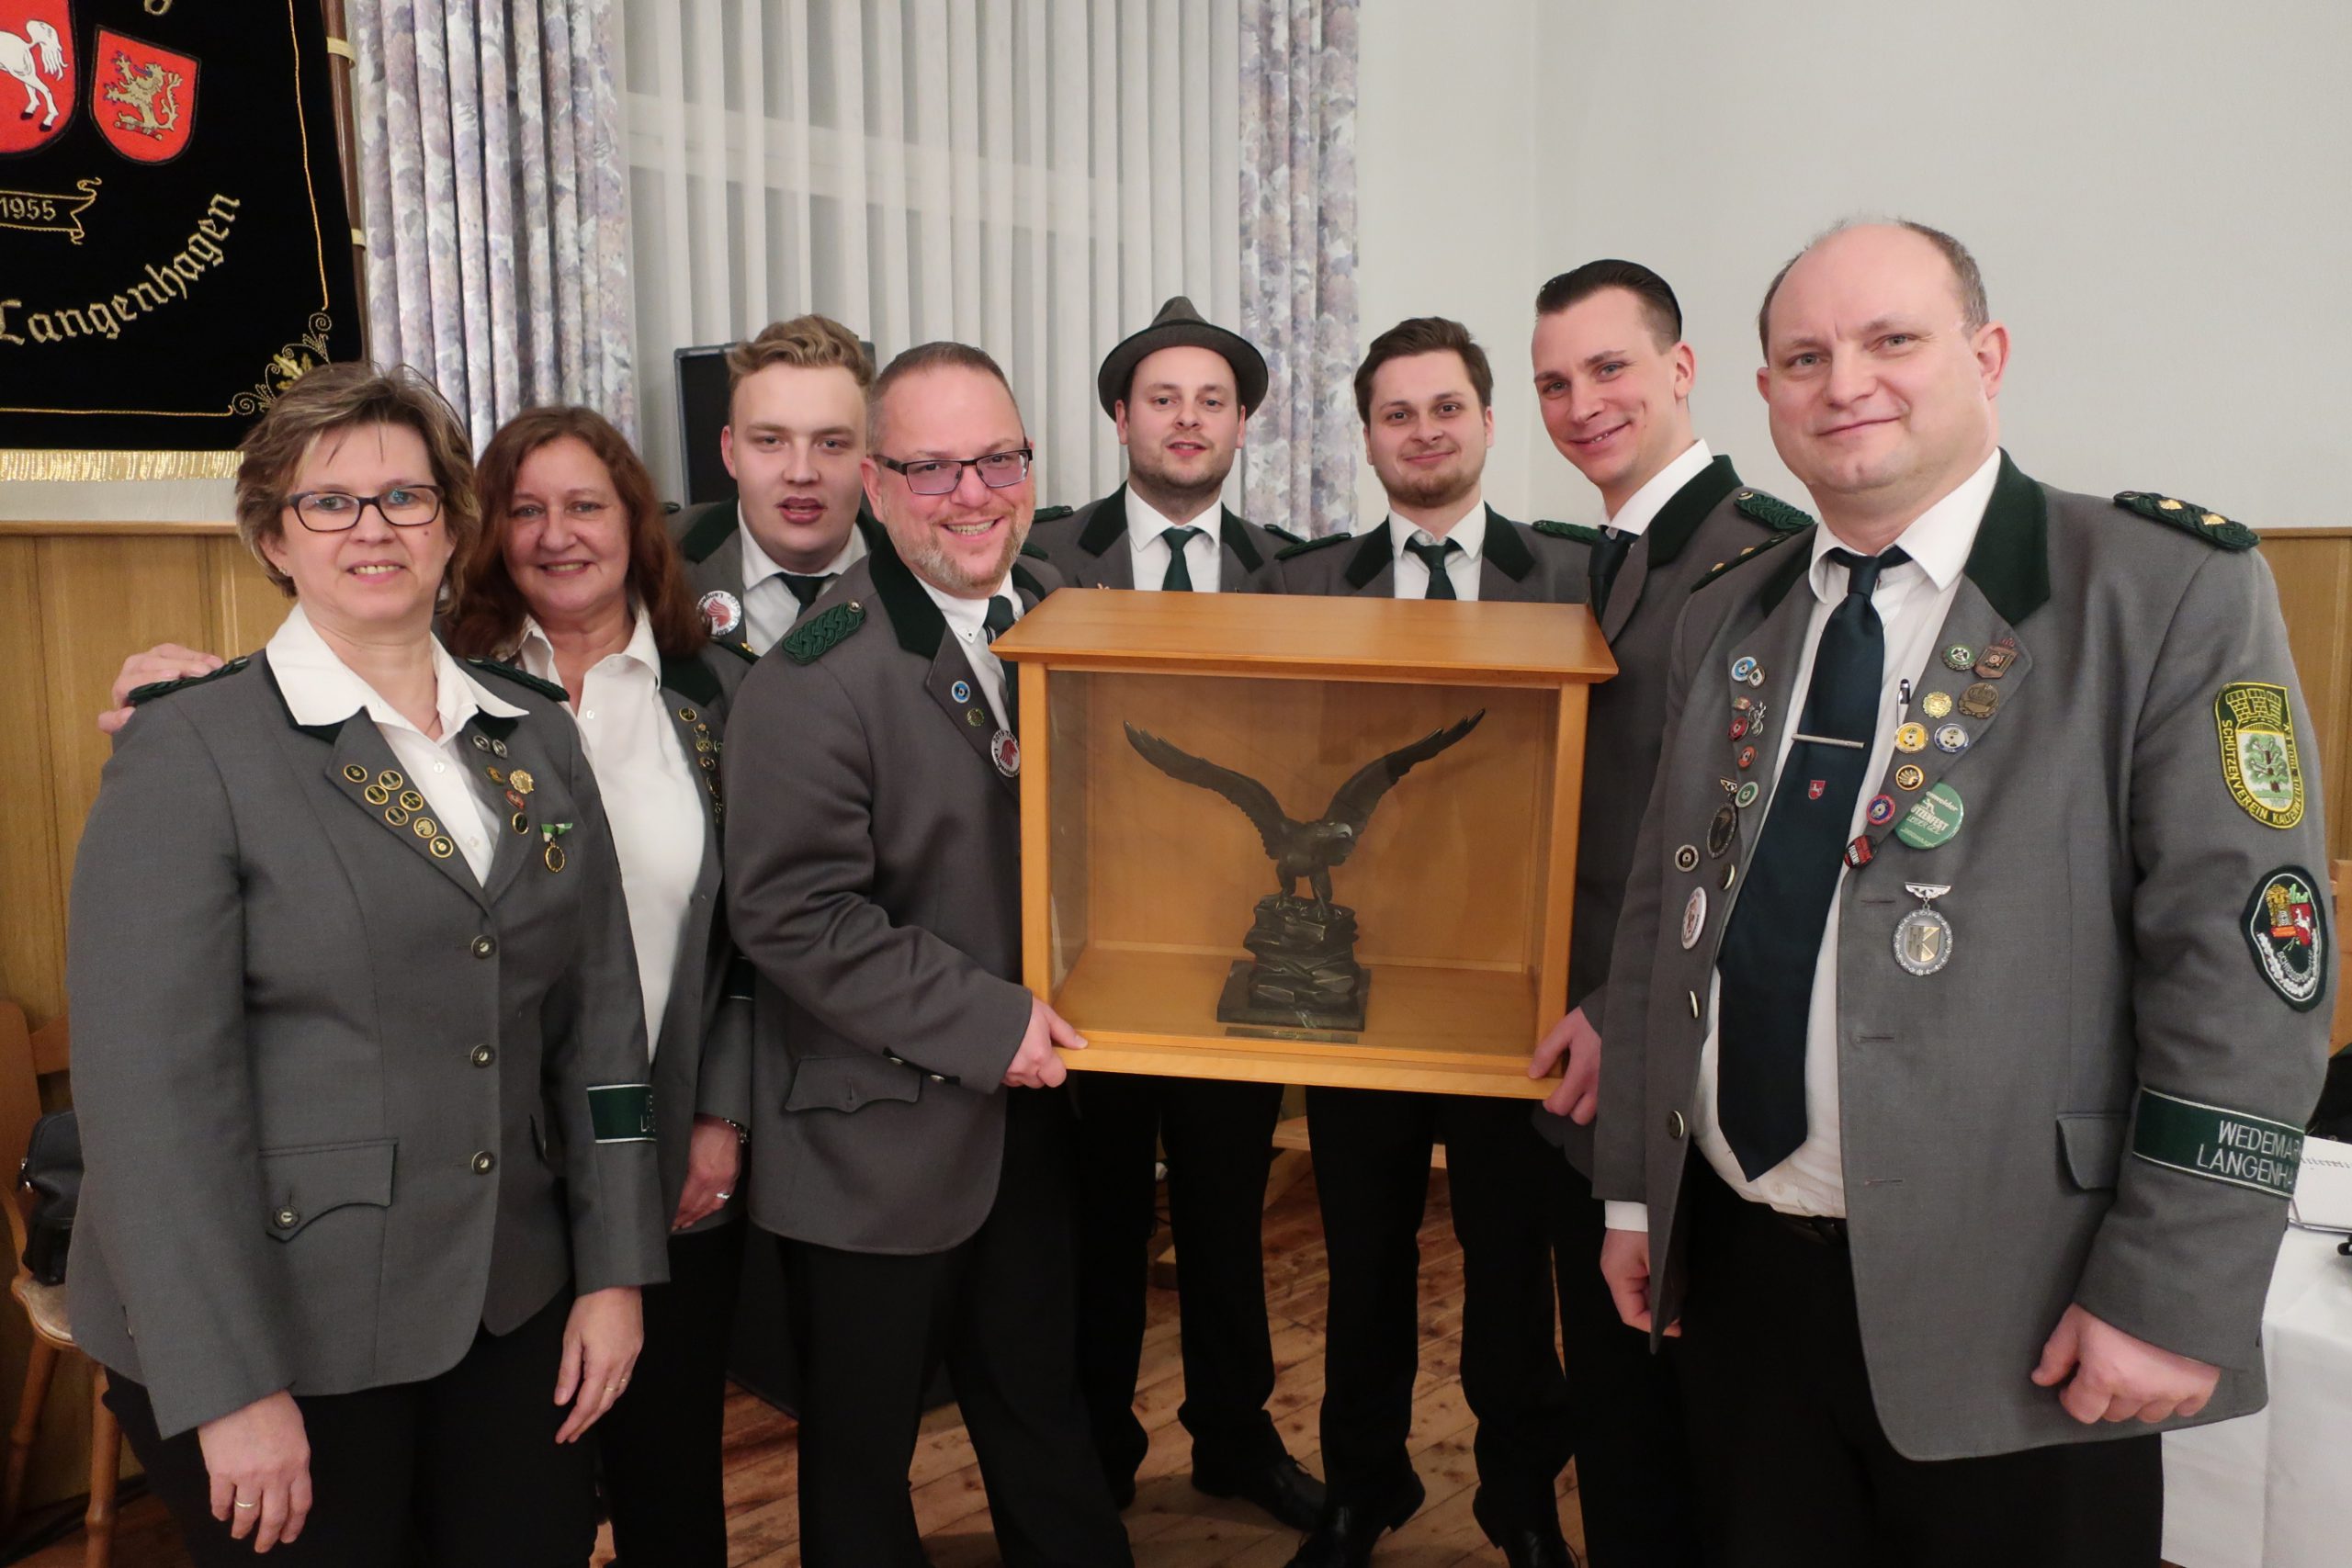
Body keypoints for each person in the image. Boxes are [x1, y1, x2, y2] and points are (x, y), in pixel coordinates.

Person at [1593, 220, 2331, 1567]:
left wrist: (2173, 1288)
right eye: (1804, 357)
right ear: (1764, 393)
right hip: (1743, 1278)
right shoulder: (1731, 611)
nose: (1844, 383)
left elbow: (2246, 967)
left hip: (2027, 1296)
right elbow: (1664, 917)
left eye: (1892, 340)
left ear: (1986, 357)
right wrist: (1640, 1194)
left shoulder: (2160, 588)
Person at [66, 363, 666, 1565]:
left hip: (515, 1299)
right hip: (296, 1322)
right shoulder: (192, 748)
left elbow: (598, 1027)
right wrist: (230, 1385)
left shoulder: (534, 732)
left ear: (450, 525)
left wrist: (615, 1270)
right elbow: (151, 1108)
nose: (373, 528)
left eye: (405, 496)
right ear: (274, 538)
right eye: (329, 502)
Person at [722, 341, 1134, 1567]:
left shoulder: (1062, 609)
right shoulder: (813, 675)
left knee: (1042, 1413)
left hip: (1034, 1118)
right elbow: (794, 913)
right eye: (934, 468)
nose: (973, 494)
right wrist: (988, 1022)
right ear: (877, 484)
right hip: (875, 1139)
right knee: (862, 1461)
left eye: (999, 460)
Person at [1249, 317, 1583, 1568]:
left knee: (1510, 1262)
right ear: (1368, 436)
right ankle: (1362, 1485)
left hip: (1514, 989)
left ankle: (1520, 1495)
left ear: (1488, 421)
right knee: (1362, 1257)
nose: (1424, 432)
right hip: (1361, 986)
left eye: (1446, 408)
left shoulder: (1577, 575)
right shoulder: (1300, 589)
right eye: (1397, 414)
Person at [1521, 258, 1807, 1568]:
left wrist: (1612, 1007)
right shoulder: (1590, 562)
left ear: (1681, 369)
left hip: (1667, 1059)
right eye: (1554, 383)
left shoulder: (1757, 559)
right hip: (1577, 1066)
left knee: (1700, 1430)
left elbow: (1745, 845)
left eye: (1609, 368)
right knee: (1618, 1420)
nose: (1582, 403)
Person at [1025, 295, 1323, 1529]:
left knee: (1222, 1213)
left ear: (1243, 423)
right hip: (1082, 957)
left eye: (1212, 400)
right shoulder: (1042, 557)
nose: (1187, 419)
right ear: (1120, 416)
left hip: (1227, 949)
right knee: (1095, 1223)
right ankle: (1094, 1448)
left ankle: (1234, 1438)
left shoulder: (1295, 574)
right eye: (1163, 398)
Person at [447, 405, 753, 1566]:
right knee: (521, 1492)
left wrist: (721, 1117)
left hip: (672, 1151)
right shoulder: (442, 691)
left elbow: (753, 935)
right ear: (489, 532)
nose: (556, 534)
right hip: (499, 1167)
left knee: (670, 1478)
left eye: (585, 505)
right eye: (525, 509)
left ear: (636, 522)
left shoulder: (716, 695)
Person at [668, 314, 885, 660]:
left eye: (831, 444)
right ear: (730, 452)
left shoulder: (918, 572)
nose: (801, 473)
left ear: (870, 457)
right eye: (771, 441)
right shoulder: (657, 563)